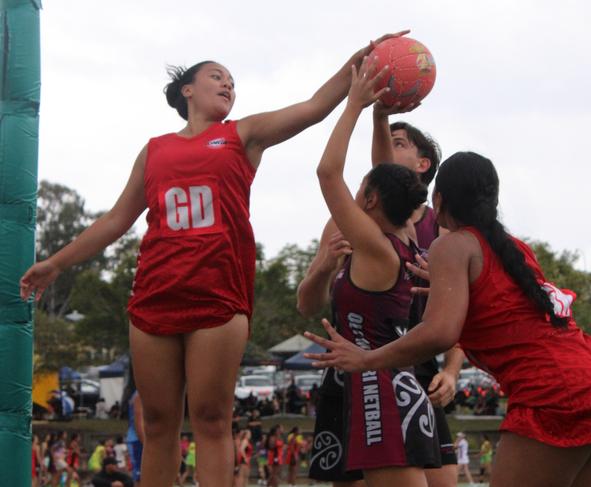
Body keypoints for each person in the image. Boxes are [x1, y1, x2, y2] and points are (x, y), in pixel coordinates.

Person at [19, 30, 407, 487]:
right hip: (154, 298)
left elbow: (313, 107)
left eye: (232, 81)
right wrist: (57, 262)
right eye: (216, 76)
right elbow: (116, 221)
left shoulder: (243, 135)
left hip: (218, 301)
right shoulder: (155, 149)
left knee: (210, 419)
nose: (227, 85)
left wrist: (357, 65)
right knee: (159, 424)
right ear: (187, 90)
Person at [304, 151, 591, 487]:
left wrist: (366, 358)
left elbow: (439, 333)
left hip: (557, 392)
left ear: (437, 200)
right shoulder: (512, 248)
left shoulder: (452, 245)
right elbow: (507, 309)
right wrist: (446, 287)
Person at [297, 85, 460, 487]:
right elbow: (391, 178)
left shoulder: (375, 247)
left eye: (362, 188)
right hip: (397, 378)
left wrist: (355, 102)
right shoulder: (404, 234)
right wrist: (379, 117)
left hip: (377, 386)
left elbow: (327, 173)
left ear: (369, 200)